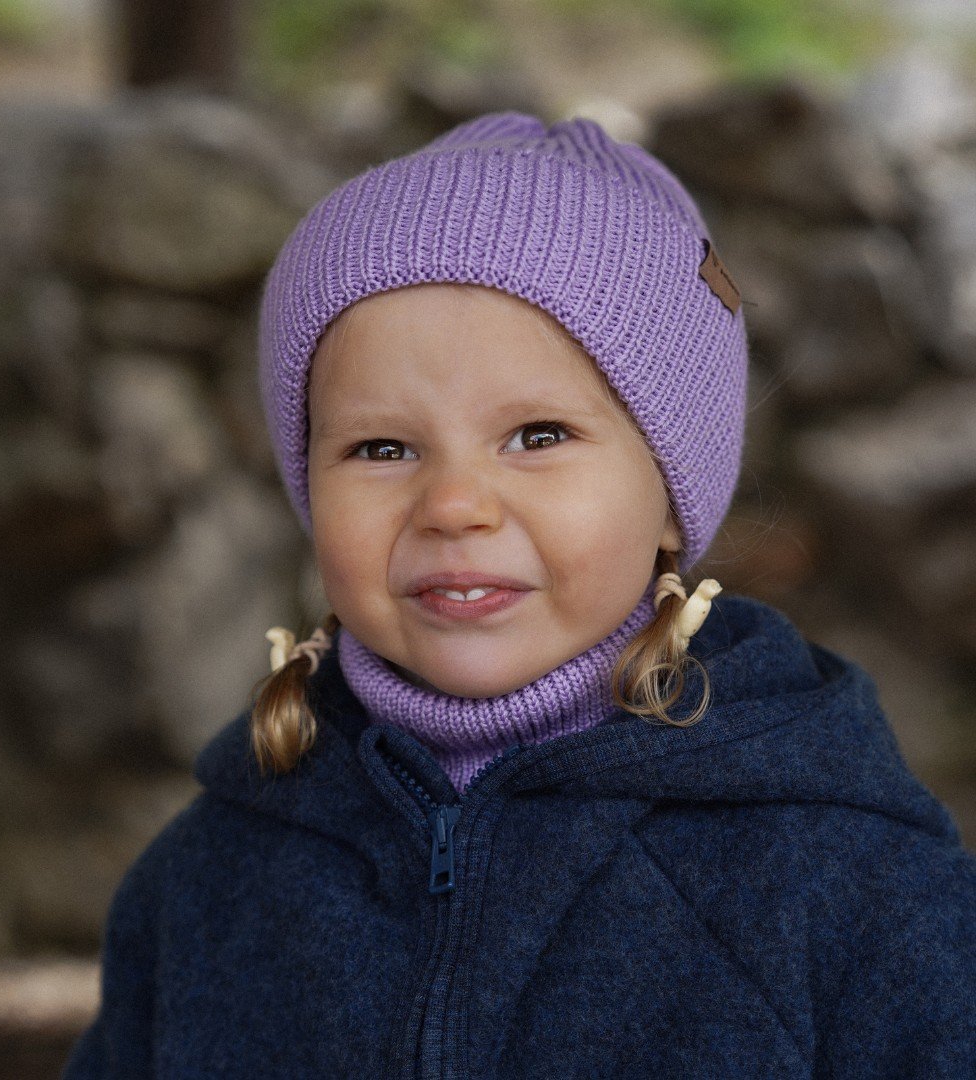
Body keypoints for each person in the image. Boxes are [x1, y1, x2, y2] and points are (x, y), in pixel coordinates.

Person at [63, 112, 975, 1079]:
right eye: (381, 448)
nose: (454, 504)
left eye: (538, 435)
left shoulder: (845, 880)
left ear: (669, 493)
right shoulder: (206, 882)